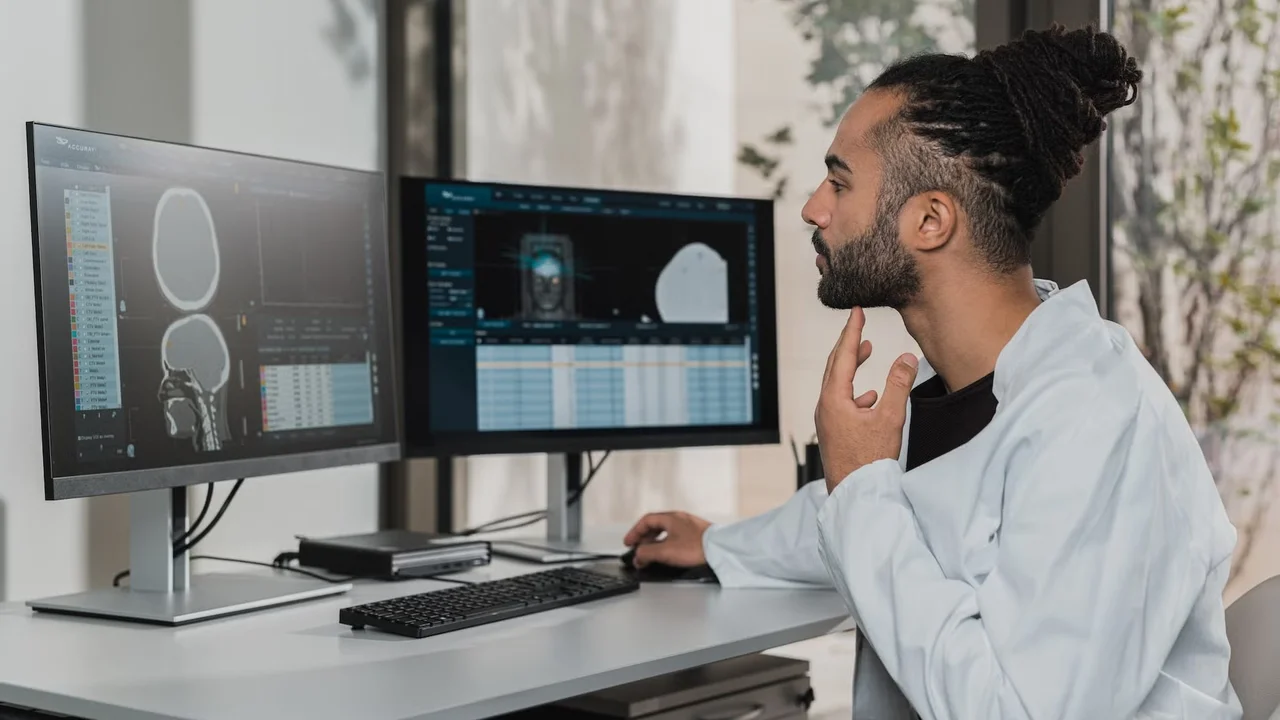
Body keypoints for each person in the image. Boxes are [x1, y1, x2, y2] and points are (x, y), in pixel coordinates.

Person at [623, 24, 1241, 720]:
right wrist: (718, 543)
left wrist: (861, 484)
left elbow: (1017, 713)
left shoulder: (1099, 421)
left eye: (839, 182)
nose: (813, 208)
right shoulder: (958, 388)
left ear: (930, 221)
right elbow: (886, 515)